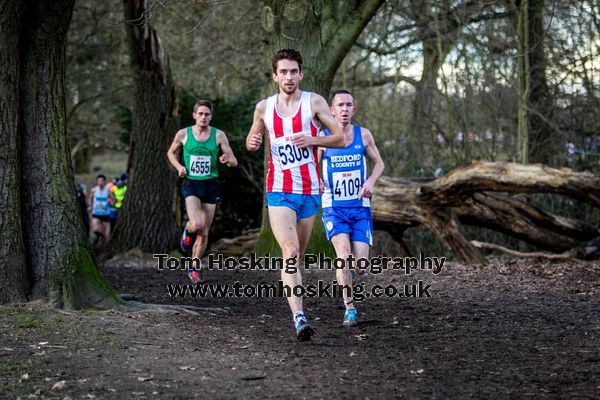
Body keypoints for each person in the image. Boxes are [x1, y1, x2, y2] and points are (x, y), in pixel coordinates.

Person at [245, 48, 344, 341]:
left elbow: (339, 136)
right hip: (279, 190)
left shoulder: (314, 102)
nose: (288, 77)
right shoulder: (264, 107)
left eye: (293, 71)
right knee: (289, 252)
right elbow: (254, 139)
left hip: (310, 190)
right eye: (283, 72)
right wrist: (252, 141)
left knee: (297, 256)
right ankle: (299, 316)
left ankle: (296, 301)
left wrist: (313, 139)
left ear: (301, 74)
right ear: (275, 76)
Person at [319, 89, 385, 328]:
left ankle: (348, 277)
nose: (345, 109)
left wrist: (370, 182)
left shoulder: (363, 135)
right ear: (331, 110)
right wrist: (316, 180)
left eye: (349, 105)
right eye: (340, 105)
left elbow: (379, 163)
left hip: (360, 209)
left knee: (361, 266)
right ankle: (350, 308)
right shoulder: (323, 136)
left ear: (353, 110)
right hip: (334, 208)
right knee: (343, 257)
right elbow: (313, 165)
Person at [167, 100, 238, 284]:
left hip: (210, 184)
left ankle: (194, 268)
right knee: (197, 224)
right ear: (194, 115)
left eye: (207, 114)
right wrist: (178, 166)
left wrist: (226, 159)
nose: (204, 117)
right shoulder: (183, 134)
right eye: (201, 114)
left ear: (211, 116)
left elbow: (234, 161)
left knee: (205, 231)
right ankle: (187, 232)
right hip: (191, 183)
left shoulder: (218, 135)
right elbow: (170, 153)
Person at [88, 174, 113, 247]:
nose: (100, 182)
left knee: (104, 234)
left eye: (102, 181)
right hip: (96, 212)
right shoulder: (94, 190)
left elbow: (112, 199)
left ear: (105, 182)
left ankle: (103, 248)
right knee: (95, 229)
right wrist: (90, 206)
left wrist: (111, 202)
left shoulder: (108, 190)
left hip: (105, 213)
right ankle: (98, 240)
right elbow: (90, 198)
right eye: (99, 181)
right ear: (97, 182)